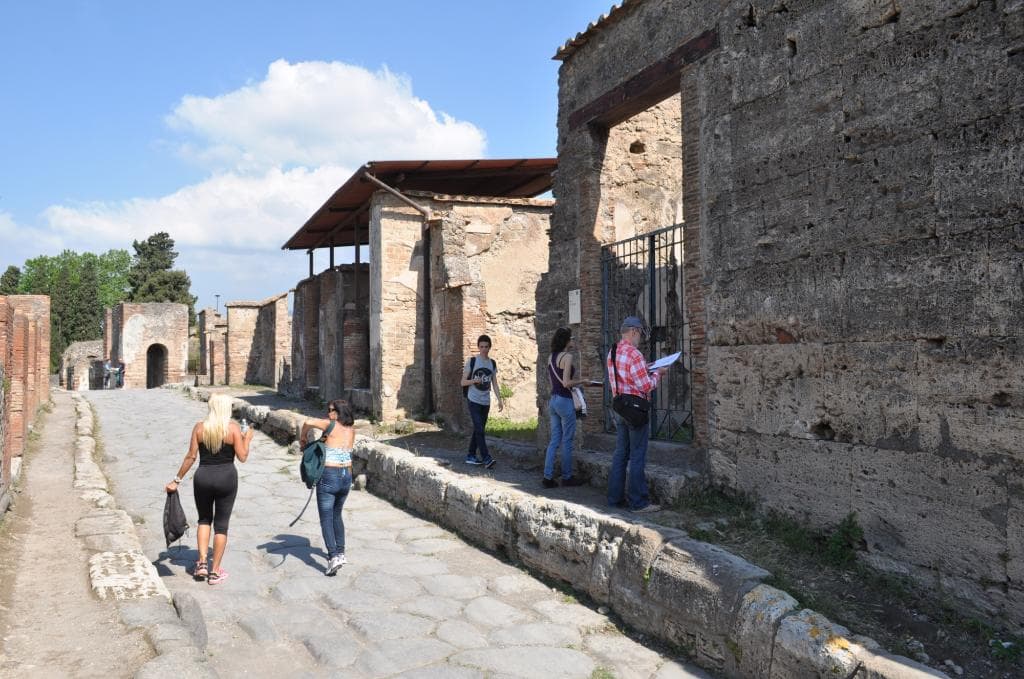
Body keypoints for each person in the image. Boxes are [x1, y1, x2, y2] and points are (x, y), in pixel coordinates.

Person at [165, 393, 253, 584]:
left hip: (203, 477)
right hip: (227, 478)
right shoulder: (233, 429)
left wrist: (176, 480)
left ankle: (202, 563)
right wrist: (247, 439)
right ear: (226, 408)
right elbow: (243, 457)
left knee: (204, 519)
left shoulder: (199, 428)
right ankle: (215, 572)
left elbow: (191, 456)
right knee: (221, 525)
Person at [606, 316, 668, 513]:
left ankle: (614, 498)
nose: (640, 337)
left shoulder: (613, 351)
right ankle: (638, 502)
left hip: (620, 407)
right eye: (640, 333)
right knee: (638, 454)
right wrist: (658, 373)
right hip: (636, 409)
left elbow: (624, 375)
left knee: (620, 453)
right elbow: (646, 385)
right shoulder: (634, 354)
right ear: (633, 331)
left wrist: (647, 367)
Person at [300, 399, 356, 576]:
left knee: (326, 517)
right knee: (337, 515)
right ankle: (340, 552)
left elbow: (308, 422)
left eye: (331, 410)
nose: (328, 413)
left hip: (330, 475)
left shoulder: (330, 425)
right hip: (346, 475)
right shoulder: (351, 431)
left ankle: (333, 557)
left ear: (339, 413)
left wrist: (303, 438)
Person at [542, 327, 593, 488]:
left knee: (554, 440)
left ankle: (547, 477)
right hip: (564, 400)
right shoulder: (567, 357)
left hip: (554, 400)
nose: (573, 341)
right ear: (565, 340)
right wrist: (582, 381)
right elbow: (566, 383)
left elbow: (553, 383)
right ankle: (567, 477)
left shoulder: (550, 357)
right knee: (567, 440)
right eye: (571, 338)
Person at [461, 334, 504, 468]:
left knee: (478, 429)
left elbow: (495, 383)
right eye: (481, 347)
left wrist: (499, 399)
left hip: (486, 402)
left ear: (489, 347)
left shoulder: (492, 363)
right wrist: (474, 380)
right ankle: (486, 458)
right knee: (480, 429)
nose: (484, 349)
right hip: (473, 400)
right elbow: (462, 382)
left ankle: (471, 455)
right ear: (478, 347)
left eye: (486, 346)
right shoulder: (472, 361)